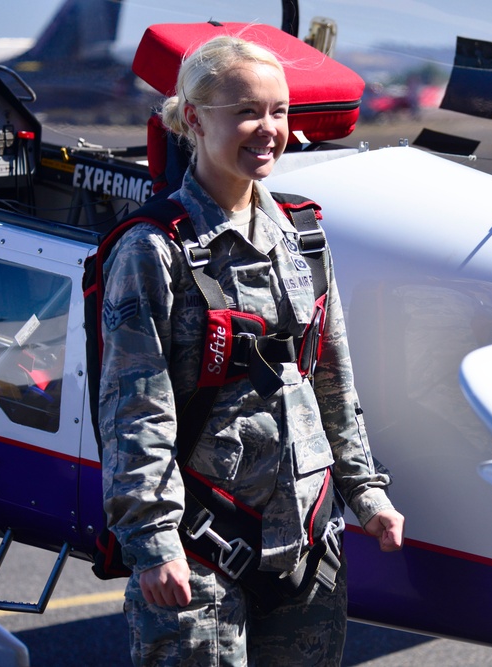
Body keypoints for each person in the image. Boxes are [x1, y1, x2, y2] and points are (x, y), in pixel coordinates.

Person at [98, 35, 404, 666]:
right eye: (246, 112)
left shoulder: (303, 236)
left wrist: (365, 491)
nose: (269, 129)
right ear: (193, 118)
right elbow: (135, 405)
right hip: (202, 544)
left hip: (310, 535)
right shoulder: (154, 249)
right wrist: (153, 538)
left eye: (280, 111)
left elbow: (331, 377)